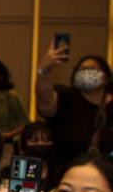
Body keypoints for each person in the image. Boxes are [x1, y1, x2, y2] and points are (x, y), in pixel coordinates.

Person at [36, 44, 113, 178]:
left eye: (92, 69)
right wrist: (44, 71)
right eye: (82, 69)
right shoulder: (65, 97)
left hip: (106, 181)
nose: (87, 73)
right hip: (65, 176)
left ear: (106, 76)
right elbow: (45, 98)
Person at [19, 121, 56, 192]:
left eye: (46, 140)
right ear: (25, 143)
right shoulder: (16, 171)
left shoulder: (59, 173)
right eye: (35, 140)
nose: (41, 144)